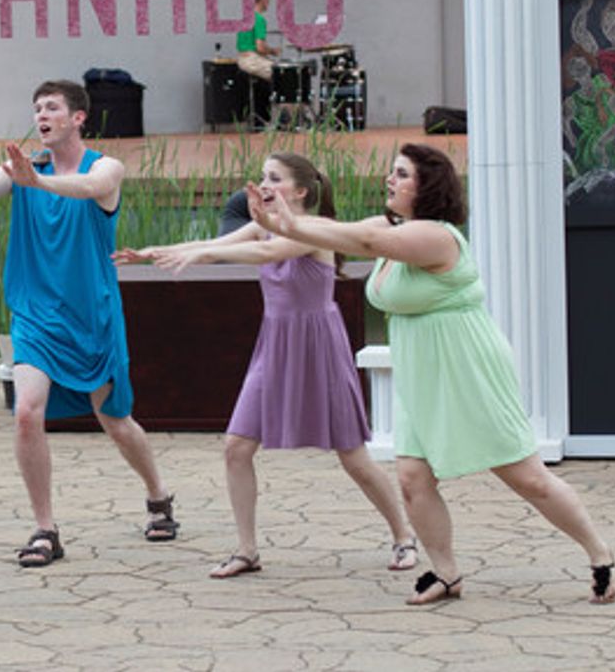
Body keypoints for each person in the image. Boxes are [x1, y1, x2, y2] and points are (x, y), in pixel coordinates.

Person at [247, 143, 615, 605]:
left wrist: (290, 221)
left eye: (401, 173)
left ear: (426, 189)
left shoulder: (436, 237)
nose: (390, 179)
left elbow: (363, 243)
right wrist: (281, 222)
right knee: (413, 478)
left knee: (527, 478)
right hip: (423, 371)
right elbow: (335, 231)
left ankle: (598, 553)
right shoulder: (392, 225)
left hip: (467, 367)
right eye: (391, 171)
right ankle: (446, 573)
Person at [0, 79, 178, 570]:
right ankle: (45, 529)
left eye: (52, 107)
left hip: (92, 316)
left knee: (114, 419)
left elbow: (91, 189)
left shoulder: (104, 167)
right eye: (36, 109)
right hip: (34, 313)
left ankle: (158, 494)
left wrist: (37, 182)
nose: (41, 116)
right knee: (27, 411)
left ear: (78, 118)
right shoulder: (22, 169)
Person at [114, 153, 416, 579]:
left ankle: (404, 535)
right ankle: (247, 550)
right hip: (274, 344)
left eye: (274, 178)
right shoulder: (265, 224)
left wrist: (199, 257)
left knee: (352, 455)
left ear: (301, 191)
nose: (264, 184)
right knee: (236, 447)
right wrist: (152, 253)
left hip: (317, 346)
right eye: (263, 177)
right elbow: (221, 246)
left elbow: (263, 251)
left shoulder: (314, 231)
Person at [236, 0, 277, 82]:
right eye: (268, 0)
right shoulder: (259, 19)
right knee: (281, 74)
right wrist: (273, 51)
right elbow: (260, 48)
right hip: (253, 60)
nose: (269, 3)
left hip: (242, 59)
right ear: (263, 0)